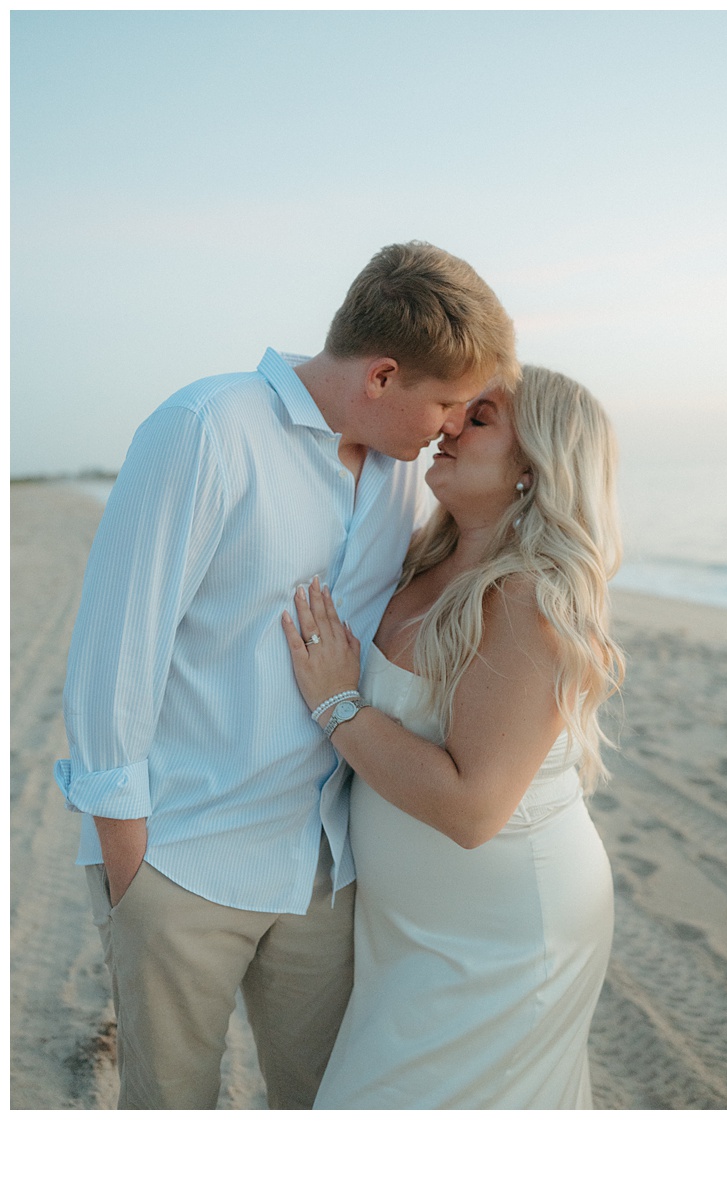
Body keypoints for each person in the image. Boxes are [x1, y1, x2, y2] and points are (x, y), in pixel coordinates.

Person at [53, 241, 519, 1110]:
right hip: (181, 860)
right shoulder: (208, 429)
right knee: (171, 1121)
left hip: (322, 869)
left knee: (325, 1112)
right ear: (382, 376)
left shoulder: (398, 479)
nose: (450, 426)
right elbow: (114, 653)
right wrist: (132, 871)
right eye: (447, 402)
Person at [283, 364, 625, 1109]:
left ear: (533, 468)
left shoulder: (531, 596)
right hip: (407, 931)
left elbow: (473, 809)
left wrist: (338, 704)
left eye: (480, 418)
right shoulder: (424, 560)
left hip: (502, 936)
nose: (448, 425)